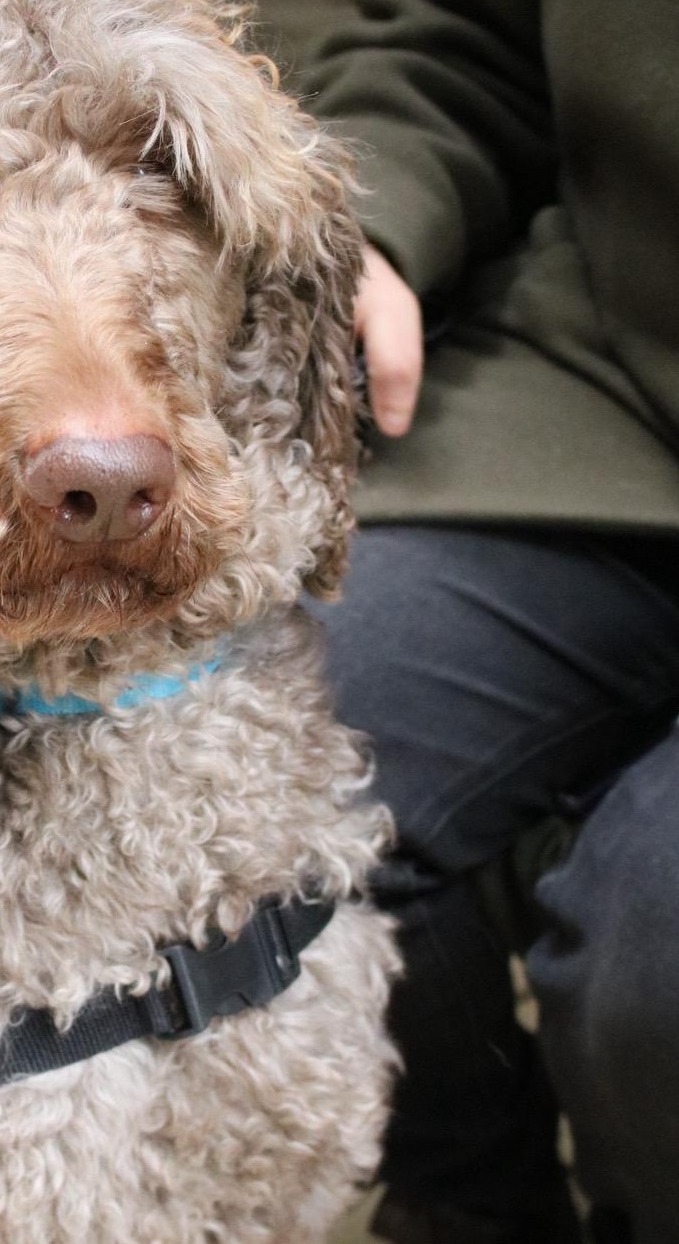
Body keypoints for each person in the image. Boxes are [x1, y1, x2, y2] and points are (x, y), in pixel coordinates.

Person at [259, 2, 679, 1241]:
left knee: (652, 973)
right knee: (258, 752)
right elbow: (460, 39)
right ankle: (467, 1203)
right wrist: (362, 226)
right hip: (611, 381)